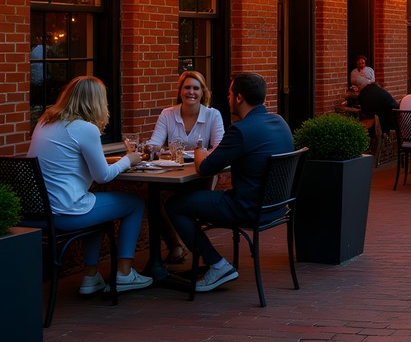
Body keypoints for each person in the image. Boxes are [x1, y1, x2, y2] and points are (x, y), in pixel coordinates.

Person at [166, 72, 294, 292]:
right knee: (187, 200)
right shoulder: (280, 121)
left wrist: (198, 149)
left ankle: (216, 264)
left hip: (246, 208)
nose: (227, 98)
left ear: (238, 98)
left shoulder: (241, 131)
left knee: (174, 205)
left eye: (229, 93)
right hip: (277, 208)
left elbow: (205, 168)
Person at [28, 76, 153, 294]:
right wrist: (129, 159)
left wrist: (115, 162)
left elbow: (68, 162)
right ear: (95, 101)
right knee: (135, 203)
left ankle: (91, 277)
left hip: (38, 213)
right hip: (66, 213)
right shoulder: (85, 128)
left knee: (96, 207)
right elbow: (103, 176)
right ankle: (124, 274)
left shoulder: (44, 122)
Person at [147, 71, 226, 264]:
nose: (191, 92)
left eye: (195, 88)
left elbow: (220, 148)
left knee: (171, 200)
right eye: (187, 87)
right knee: (154, 198)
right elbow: (155, 144)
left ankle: (194, 248)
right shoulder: (168, 114)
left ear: (203, 92)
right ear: (181, 91)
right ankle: (174, 245)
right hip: (173, 172)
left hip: (200, 175)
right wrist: (152, 148)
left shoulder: (212, 115)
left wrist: (200, 155)